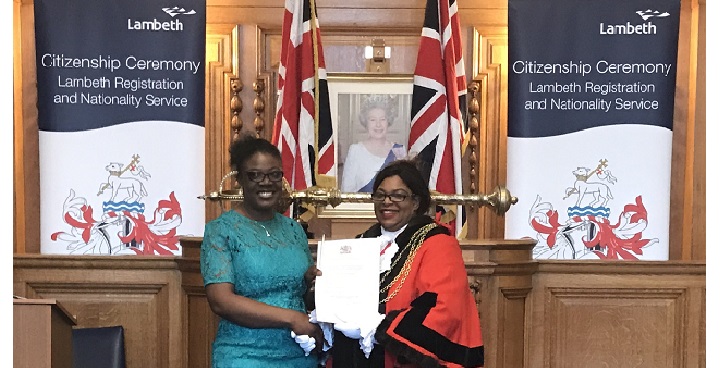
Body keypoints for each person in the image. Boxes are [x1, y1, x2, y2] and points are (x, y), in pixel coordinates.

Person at [327, 159, 484, 368]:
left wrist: (381, 329)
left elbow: (442, 306)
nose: (387, 201)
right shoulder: (361, 243)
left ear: (416, 202)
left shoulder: (439, 245)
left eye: (398, 195)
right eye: (380, 195)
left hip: (401, 360)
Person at [200, 134, 323, 368]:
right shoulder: (221, 231)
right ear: (239, 180)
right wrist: (291, 318)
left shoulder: (294, 230)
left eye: (274, 174)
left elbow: (301, 296)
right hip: (244, 355)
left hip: (299, 354)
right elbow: (221, 301)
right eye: (255, 175)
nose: (266, 182)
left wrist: (312, 284)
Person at [341, 94, 407, 192]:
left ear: (388, 121)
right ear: (365, 123)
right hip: (361, 206)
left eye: (383, 119)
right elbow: (346, 190)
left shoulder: (399, 150)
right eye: (372, 120)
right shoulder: (355, 151)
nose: (378, 125)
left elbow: (404, 188)